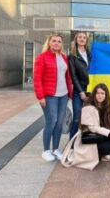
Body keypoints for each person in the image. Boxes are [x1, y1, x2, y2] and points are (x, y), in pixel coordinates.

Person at [33, 33, 72, 162]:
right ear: (49, 43)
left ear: (62, 44)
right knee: (51, 121)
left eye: (59, 41)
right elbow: (37, 79)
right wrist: (40, 96)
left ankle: (55, 149)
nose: (56, 43)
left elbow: (67, 77)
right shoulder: (42, 57)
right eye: (54, 41)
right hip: (49, 96)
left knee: (59, 123)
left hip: (63, 95)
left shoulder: (64, 57)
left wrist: (70, 93)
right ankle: (46, 150)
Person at [68, 31, 91, 139]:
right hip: (79, 89)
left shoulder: (90, 54)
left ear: (86, 41)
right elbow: (73, 75)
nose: (82, 39)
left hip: (90, 88)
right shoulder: (72, 55)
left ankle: (83, 141)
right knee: (77, 117)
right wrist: (81, 91)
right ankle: (71, 144)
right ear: (76, 40)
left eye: (84, 37)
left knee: (89, 117)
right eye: (80, 37)